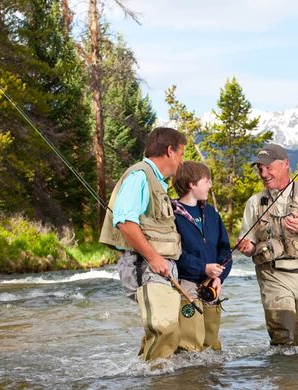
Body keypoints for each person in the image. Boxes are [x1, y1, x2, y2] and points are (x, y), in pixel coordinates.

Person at [99, 127, 186, 361]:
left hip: (158, 268)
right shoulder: (139, 175)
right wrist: (154, 257)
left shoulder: (155, 181)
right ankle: (156, 379)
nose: (181, 161)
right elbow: (125, 222)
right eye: (181, 154)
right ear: (170, 151)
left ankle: (147, 378)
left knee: (162, 331)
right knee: (164, 328)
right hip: (147, 267)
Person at [237, 143, 298, 348]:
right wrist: (248, 248)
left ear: (285, 165)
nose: (263, 173)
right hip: (272, 274)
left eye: (268, 167)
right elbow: (250, 243)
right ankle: (284, 378)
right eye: (260, 168)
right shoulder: (254, 203)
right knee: (284, 336)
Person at [171, 161, 232, 352]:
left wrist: (218, 277)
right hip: (185, 286)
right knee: (189, 345)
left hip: (211, 287)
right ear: (192, 184)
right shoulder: (171, 215)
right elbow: (173, 254)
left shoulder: (212, 213)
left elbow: (225, 250)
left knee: (212, 345)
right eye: (207, 181)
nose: (210, 185)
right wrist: (202, 268)